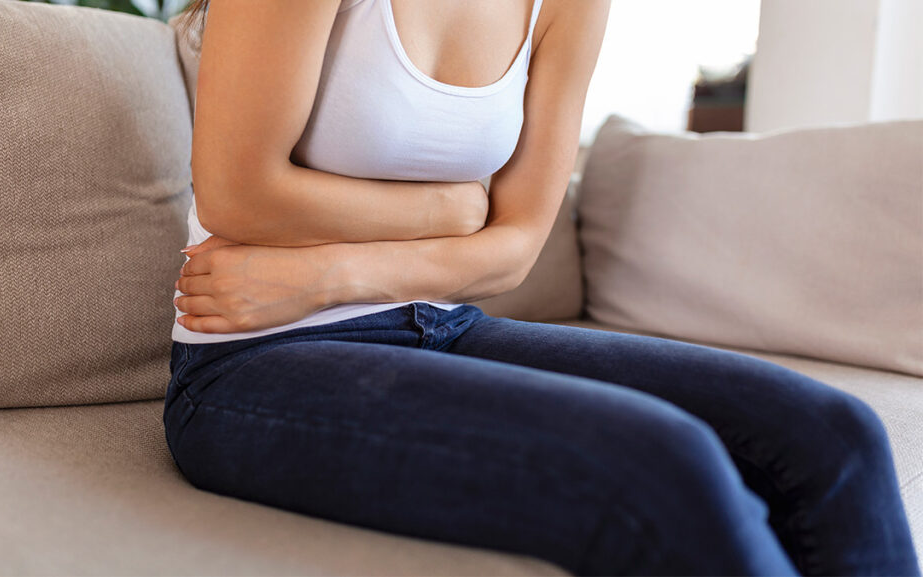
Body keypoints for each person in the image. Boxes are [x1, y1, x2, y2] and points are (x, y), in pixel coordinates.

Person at [163, 0, 921, 574]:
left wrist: (329, 273)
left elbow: (513, 250)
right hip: (251, 360)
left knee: (835, 434)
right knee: (664, 464)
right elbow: (237, 191)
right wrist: (449, 209)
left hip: (438, 326)